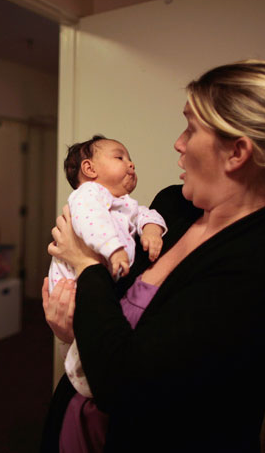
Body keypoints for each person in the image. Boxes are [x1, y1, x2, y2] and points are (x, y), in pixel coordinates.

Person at [41, 60, 265, 452]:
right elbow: (113, 312)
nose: (178, 143)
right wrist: (72, 328)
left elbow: (127, 387)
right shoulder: (170, 209)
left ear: (237, 153)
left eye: (191, 129)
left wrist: (86, 263)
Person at [48, 135, 166, 399]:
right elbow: (91, 221)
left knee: (94, 342)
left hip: (97, 282)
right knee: (82, 342)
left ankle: (95, 386)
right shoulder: (88, 195)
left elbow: (148, 213)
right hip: (72, 283)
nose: (131, 163)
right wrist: (113, 248)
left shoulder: (123, 204)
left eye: (130, 157)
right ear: (89, 169)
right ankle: (88, 389)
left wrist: (151, 230)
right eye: (120, 157)